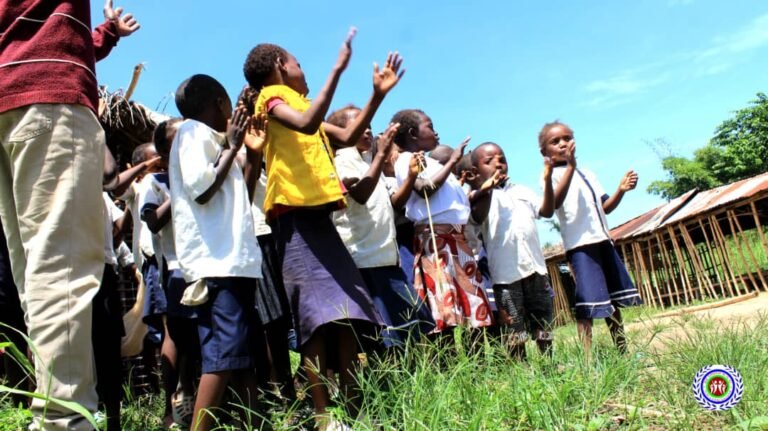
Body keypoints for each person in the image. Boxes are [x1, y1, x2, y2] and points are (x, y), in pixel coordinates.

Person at [243, 29, 402, 429]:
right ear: (280, 66)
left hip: (321, 220)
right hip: (293, 220)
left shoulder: (299, 101)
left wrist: (377, 94)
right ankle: (321, 414)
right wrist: (338, 67)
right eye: (297, 62)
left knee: (345, 311)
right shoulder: (271, 99)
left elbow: (347, 136)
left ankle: (352, 406)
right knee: (315, 318)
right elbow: (307, 122)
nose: (303, 69)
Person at [0, 1, 139, 428]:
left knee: (34, 276)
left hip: (9, 96)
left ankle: (50, 412)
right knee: (59, 274)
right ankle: (65, 420)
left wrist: (103, 35)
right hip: (49, 97)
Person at [169, 74, 264, 431]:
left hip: (235, 262)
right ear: (220, 105)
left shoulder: (216, 141)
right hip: (217, 264)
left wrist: (248, 151)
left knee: (241, 358)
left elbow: (244, 192)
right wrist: (234, 146)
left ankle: (255, 425)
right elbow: (203, 189)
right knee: (224, 357)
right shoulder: (192, 132)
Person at [328, 106, 434, 350]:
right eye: (360, 124)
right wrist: (380, 155)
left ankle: (410, 379)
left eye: (369, 125)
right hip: (364, 260)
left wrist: (409, 177)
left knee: (410, 326)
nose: (367, 129)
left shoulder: (367, 160)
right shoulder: (341, 161)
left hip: (386, 256)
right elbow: (361, 194)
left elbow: (394, 203)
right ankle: (387, 383)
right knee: (384, 334)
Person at [539, 121, 641, 354]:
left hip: (603, 241)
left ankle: (622, 350)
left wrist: (621, 190)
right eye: (555, 141)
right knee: (587, 302)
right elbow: (554, 203)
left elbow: (605, 207)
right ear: (544, 152)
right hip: (581, 247)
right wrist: (571, 167)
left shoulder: (589, 173)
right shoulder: (551, 176)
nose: (563, 143)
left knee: (613, 302)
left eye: (567, 138)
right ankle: (587, 360)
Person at [391, 109, 494, 335]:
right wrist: (454, 160)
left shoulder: (430, 162)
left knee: (471, 302)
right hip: (436, 241)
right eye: (429, 126)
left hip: (456, 238)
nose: (436, 131)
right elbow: (424, 189)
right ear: (412, 134)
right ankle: (446, 363)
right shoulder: (407, 160)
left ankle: (477, 362)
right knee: (443, 306)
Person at [468, 142, 556, 359]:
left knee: (542, 320)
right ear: (476, 172)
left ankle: (549, 364)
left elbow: (545, 211)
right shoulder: (479, 198)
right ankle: (521, 370)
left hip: (536, 269)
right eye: (489, 161)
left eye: (502, 158)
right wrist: (485, 188)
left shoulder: (522, 190)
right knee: (514, 326)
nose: (498, 163)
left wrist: (547, 181)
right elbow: (477, 218)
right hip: (506, 277)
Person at [142, 118, 200, 428]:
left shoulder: (204, 175)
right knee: (178, 334)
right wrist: (178, 185)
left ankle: (196, 393)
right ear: (165, 151)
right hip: (177, 266)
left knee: (200, 336)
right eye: (179, 139)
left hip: (207, 265)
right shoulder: (156, 183)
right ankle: (175, 401)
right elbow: (152, 221)